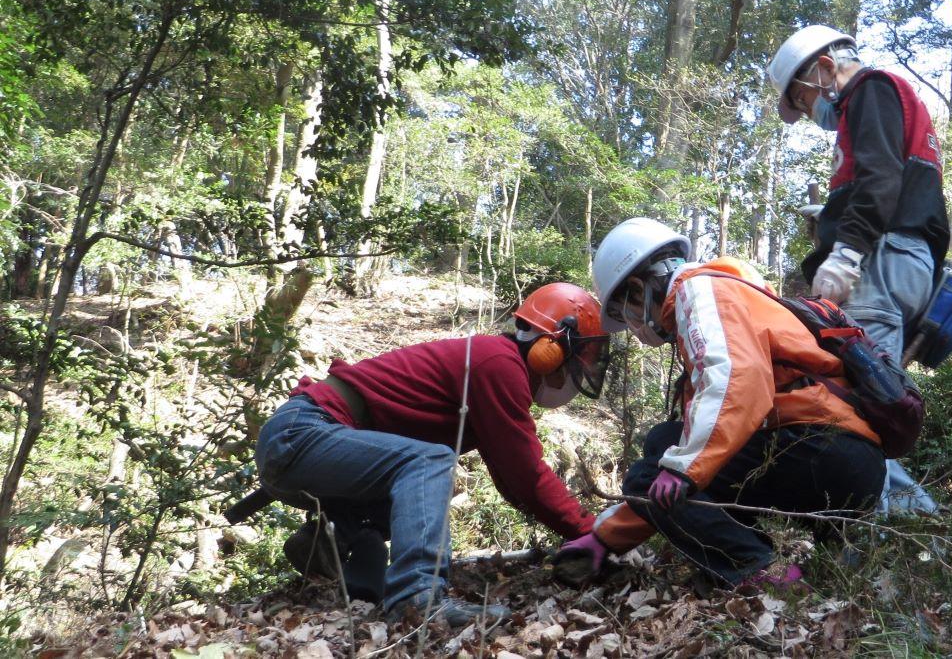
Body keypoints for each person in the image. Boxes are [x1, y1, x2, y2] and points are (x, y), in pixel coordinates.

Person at [555, 217, 887, 590]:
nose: (632, 325)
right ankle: (792, 570)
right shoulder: (731, 291)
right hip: (838, 457)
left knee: (656, 466)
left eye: (626, 313)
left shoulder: (699, 290)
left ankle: (765, 574)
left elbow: (736, 382)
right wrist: (606, 537)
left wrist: (682, 468)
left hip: (821, 448)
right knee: (667, 445)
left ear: (638, 287)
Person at [255, 282, 610, 626]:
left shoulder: (495, 365)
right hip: (301, 435)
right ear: (551, 348)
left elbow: (510, 477)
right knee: (430, 462)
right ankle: (417, 598)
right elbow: (526, 473)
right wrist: (593, 530)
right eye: (577, 361)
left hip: (306, 447)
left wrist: (579, 534)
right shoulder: (497, 363)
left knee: (413, 489)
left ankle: (329, 542)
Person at [770, 25, 949, 514]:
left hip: (882, 261)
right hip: (902, 260)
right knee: (872, 394)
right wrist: (831, 216)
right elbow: (883, 176)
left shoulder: (869, 89)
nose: (812, 114)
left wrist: (846, 250)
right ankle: (910, 520)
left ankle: (895, 529)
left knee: (866, 405)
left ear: (824, 68)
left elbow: (880, 177)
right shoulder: (881, 101)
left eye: (805, 101)